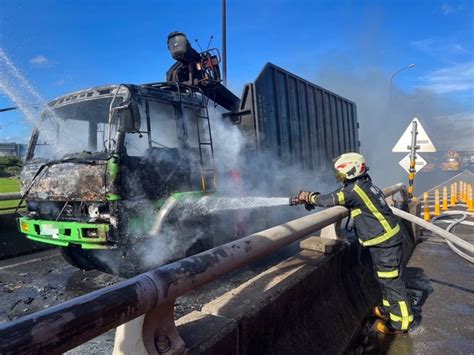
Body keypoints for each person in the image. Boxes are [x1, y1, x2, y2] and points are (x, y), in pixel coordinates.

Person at [295, 152, 413, 334]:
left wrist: (308, 196)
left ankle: (401, 322)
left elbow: (329, 199)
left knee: (391, 281)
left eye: (341, 174)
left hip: (384, 242)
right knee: (385, 278)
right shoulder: (365, 185)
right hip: (385, 240)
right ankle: (389, 310)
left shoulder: (354, 191)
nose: (339, 178)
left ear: (351, 171)